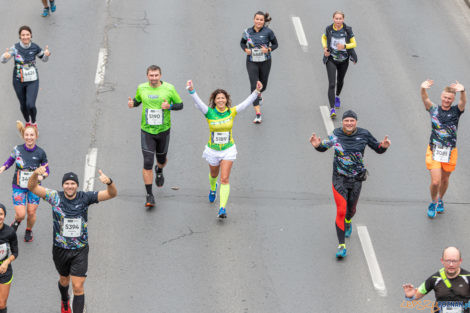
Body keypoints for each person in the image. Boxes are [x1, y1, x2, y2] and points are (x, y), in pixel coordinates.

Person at [28, 166, 117, 313]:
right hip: (60, 249)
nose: (70, 186)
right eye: (67, 184)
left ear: (77, 185)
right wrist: (35, 174)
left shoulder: (85, 197)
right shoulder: (54, 196)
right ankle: (64, 300)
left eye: (73, 183)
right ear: (63, 185)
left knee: (78, 286)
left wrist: (109, 182)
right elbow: (32, 187)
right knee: (64, 280)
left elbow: (111, 194)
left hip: (80, 249)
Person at [309, 110, 390, 258]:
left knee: (351, 209)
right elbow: (324, 146)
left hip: (356, 178)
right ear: (342, 122)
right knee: (341, 209)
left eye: (352, 121)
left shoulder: (364, 134)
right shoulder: (336, 134)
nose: (349, 123)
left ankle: (348, 220)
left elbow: (378, 149)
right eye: (346, 121)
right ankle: (341, 245)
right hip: (339, 178)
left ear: (356, 122)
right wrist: (317, 146)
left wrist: (383, 146)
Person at [186, 80, 263, 218]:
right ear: (214, 101)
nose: (220, 100)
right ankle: (213, 188)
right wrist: (192, 90)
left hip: (228, 149)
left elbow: (245, 104)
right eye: (218, 98)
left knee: (225, 178)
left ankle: (222, 208)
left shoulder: (231, 112)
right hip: (213, 150)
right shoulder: (208, 112)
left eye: (223, 98)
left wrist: (256, 92)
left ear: (226, 100)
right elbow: (198, 101)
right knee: (214, 175)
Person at [128, 65, 183, 208]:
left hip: (163, 130)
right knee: (147, 161)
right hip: (147, 131)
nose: (154, 78)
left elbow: (180, 104)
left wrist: (169, 107)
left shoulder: (169, 88)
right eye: (151, 75)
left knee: (161, 160)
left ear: (160, 75)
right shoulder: (142, 88)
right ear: (147, 76)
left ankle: (159, 169)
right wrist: (132, 104)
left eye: (156, 75)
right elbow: (138, 100)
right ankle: (149, 195)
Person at [421, 80, 466, 218]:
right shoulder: (434, 109)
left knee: (445, 180)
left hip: (450, 151)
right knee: (435, 181)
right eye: (445, 97)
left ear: (453, 100)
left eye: (449, 98)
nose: (447, 100)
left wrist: (463, 91)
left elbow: (463, 102)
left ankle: (440, 199)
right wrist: (422, 89)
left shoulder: (456, 111)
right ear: (441, 97)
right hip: (434, 150)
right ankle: (433, 202)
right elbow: (425, 99)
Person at [0, 121, 48, 242]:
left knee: (31, 212)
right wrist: (3, 167)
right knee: (21, 214)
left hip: (34, 186)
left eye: (32, 135)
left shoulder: (41, 152)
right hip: (19, 185)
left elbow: (46, 169)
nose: (29, 137)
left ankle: (28, 230)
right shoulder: (18, 149)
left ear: (36, 136)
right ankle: (17, 222)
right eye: (27, 135)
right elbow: (10, 161)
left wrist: (43, 176)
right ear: (23, 136)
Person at [1, 26, 50, 127]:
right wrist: (4, 57)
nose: (25, 37)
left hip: (32, 80)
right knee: (23, 105)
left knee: (30, 104)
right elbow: (3, 60)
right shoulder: (15, 48)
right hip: (18, 80)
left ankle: (34, 122)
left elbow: (44, 59)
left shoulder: (35, 47)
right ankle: (27, 122)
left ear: (31, 35)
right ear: (20, 36)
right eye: (23, 35)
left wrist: (46, 55)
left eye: (27, 34)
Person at [403, 247, 470, 313]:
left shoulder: (468, 277)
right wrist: (410, 295)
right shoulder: (435, 278)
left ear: (460, 261)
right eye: (448, 261)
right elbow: (417, 295)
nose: (451, 264)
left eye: (454, 261)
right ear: (442, 261)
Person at [240, 11, 278, 124]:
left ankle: (259, 94)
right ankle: (258, 114)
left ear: (264, 21)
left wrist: (269, 49)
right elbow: (242, 43)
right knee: (254, 86)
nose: (259, 21)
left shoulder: (268, 32)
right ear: (254, 19)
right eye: (257, 19)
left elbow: (276, 44)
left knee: (263, 85)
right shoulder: (247, 32)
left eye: (261, 20)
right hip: (252, 61)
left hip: (265, 61)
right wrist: (245, 49)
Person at [321, 11, 357, 119]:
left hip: (344, 60)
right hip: (331, 58)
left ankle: (337, 96)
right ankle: (332, 108)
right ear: (333, 19)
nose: (338, 21)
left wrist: (345, 46)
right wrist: (325, 48)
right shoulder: (329, 29)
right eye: (336, 18)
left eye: (340, 18)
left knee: (340, 81)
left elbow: (354, 43)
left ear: (343, 19)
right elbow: (323, 38)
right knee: (331, 83)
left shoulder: (347, 29)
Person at [0, 203, 18, 313]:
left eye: (1, 214)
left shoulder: (10, 232)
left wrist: (7, 261)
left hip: (4, 270)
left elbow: (15, 252)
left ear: (4, 215)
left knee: (1, 304)